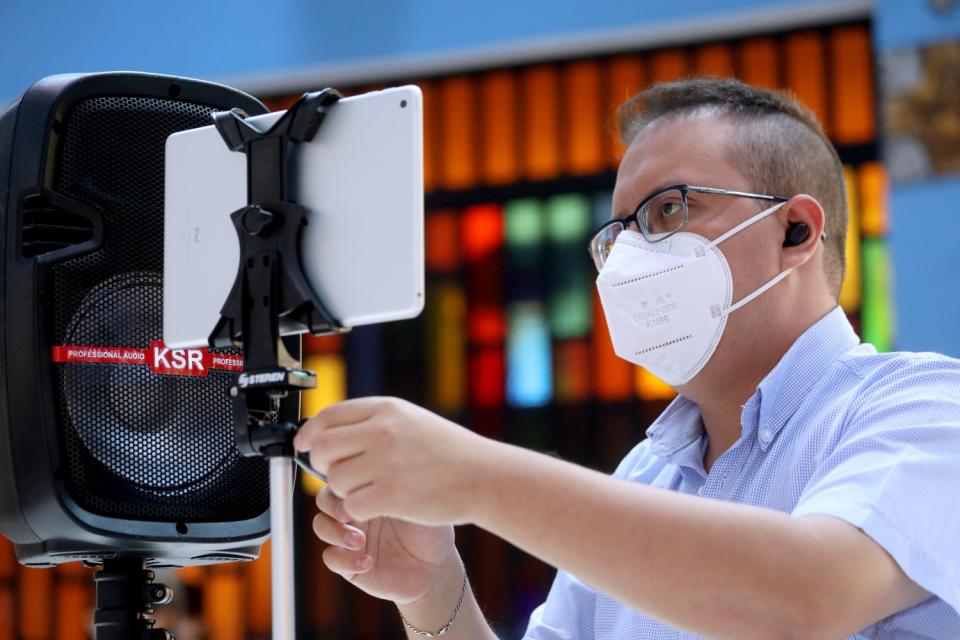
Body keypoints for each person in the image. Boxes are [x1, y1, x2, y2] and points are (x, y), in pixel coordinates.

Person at [294, 77, 960, 639]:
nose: (632, 258)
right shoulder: (646, 476)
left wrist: (474, 476)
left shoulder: (918, 410)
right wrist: (434, 592)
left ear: (797, 231)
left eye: (668, 210)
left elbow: (811, 594)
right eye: (618, 233)